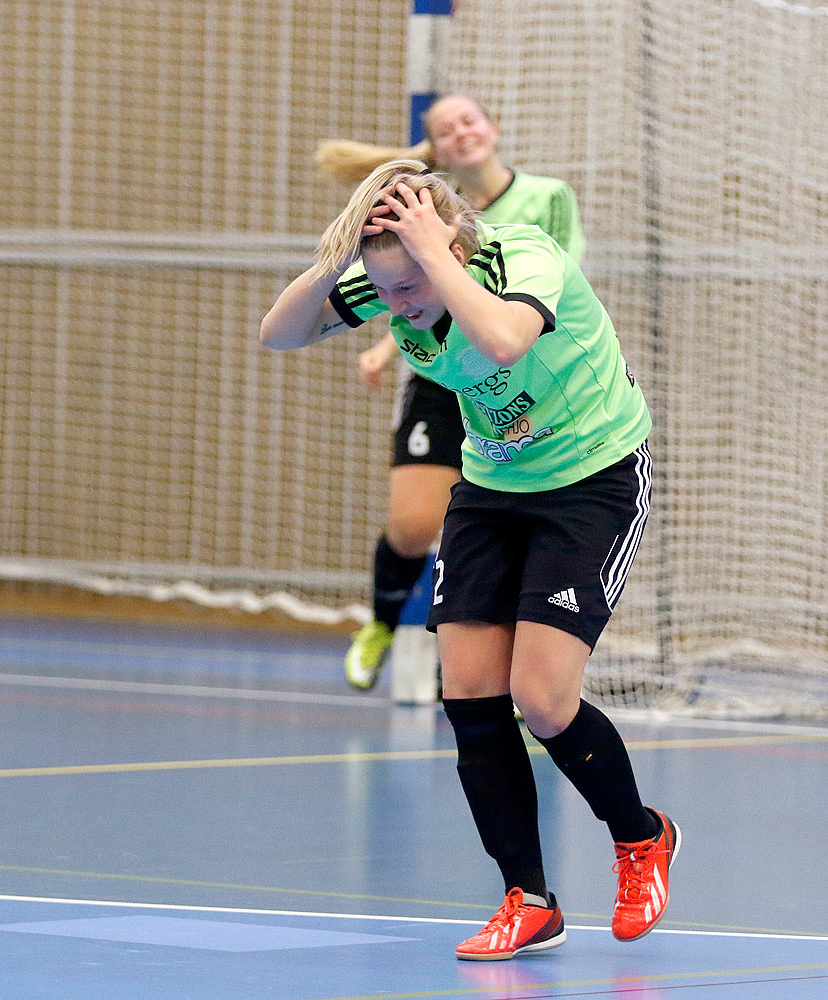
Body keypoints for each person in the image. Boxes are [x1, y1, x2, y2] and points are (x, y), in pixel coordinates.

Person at [260, 161, 678, 958]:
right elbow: (277, 333)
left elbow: (503, 336)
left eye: (410, 285)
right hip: (492, 488)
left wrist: (435, 259)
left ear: (447, 238)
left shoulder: (524, 256)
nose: (400, 306)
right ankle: (528, 898)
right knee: (472, 697)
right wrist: (332, 261)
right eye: (385, 290)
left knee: (545, 699)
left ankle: (641, 836)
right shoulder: (392, 278)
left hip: (591, 479)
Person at [318, 95, 587, 690]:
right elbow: (406, 292)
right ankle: (383, 621)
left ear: (493, 127)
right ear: (435, 150)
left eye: (469, 120)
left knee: (521, 520)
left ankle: (514, 667)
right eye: (446, 129)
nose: (461, 133)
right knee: (414, 524)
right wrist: (386, 348)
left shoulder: (545, 199)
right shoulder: (422, 215)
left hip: (524, 374)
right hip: (444, 376)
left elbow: (549, 284)